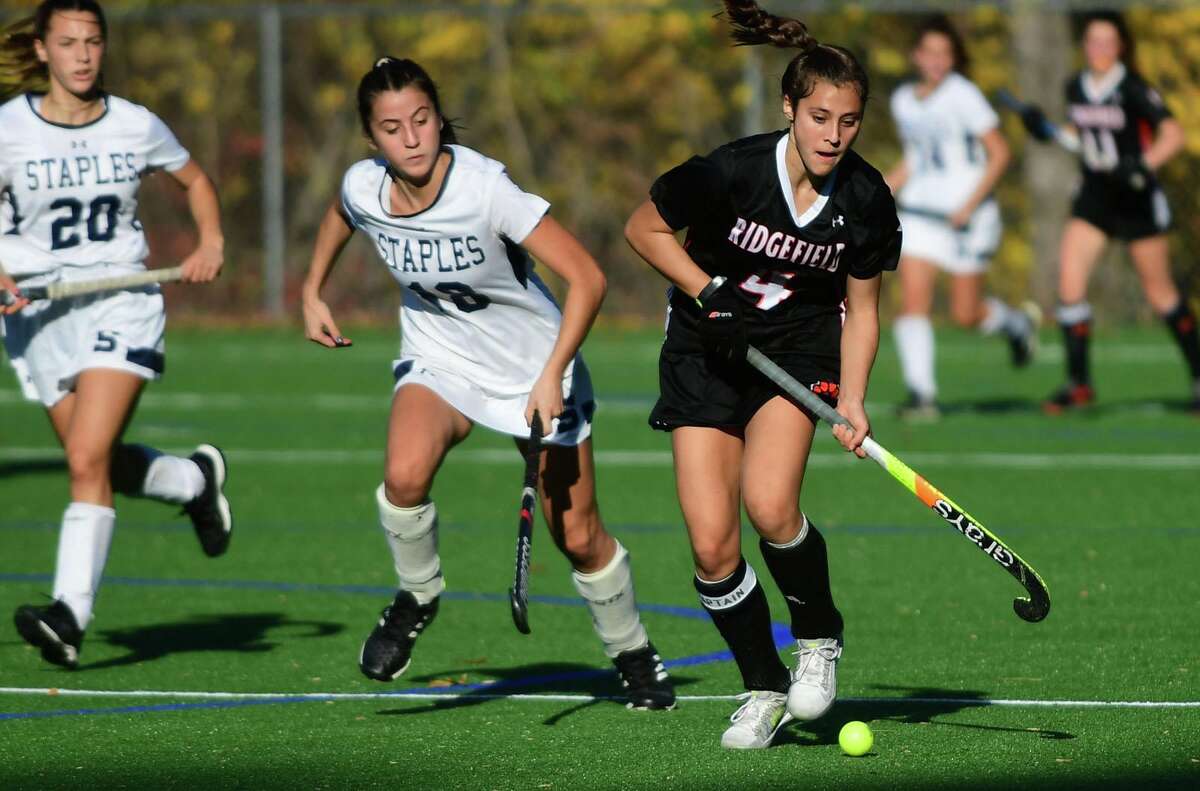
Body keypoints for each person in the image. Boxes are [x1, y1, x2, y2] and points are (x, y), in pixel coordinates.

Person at [300, 57, 675, 710]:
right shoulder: (364, 185)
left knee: (579, 537)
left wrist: (552, 373)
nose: (411, 138)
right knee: (404, 476)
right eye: (392, 128)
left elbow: (588, 278)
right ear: (371, 137)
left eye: (422, 119)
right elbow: (342, 212)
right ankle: (418, 594)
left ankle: (632, 651)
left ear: (439, 118)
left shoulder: (484, 188)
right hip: (441, 356)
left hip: (536, 366)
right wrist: (312, 289)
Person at [625, 0, 900, 749]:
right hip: (705, 352)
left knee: (772, 504)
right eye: (819, 118)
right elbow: (643, 228)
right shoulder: (732, 171)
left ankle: (819, 636)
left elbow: (863, 311)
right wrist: (707, 291)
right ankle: (763, 687)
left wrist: (855, 400)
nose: (833, 135)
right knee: (713, 548)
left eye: (848, 121)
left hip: (797, 355)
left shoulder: (865, 199)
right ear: (789, 109)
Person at [0, 0, 232, 669]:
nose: (82, 56)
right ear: (42, 49)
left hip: (121, 302)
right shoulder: (10, 128)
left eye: (93, 42)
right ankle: (192, 480)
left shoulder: (134, 124)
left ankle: (69, 616)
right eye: (68, 43)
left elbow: (195, 181)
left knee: (84, 459)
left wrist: (211, 241)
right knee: (97, 460)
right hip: (40, 314)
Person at [1019, 11, 1198, 413]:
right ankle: (1079, 383)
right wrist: (1045, 130)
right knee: (1070, 285)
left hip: (1135, 199)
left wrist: (1143, 164)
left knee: (1161, 295)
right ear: (1084, 46)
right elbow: (1082, 138)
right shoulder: (1076, 87)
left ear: (1120, 47)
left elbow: (1173, 135)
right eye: (1093, 41)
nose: (1099, 49)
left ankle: (1198, 375)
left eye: (1108, 42)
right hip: (1095, 196)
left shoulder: (1133, 88)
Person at [886, 16, 1039, 420]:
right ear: (915, 56)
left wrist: (969, 205)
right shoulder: (903, 101)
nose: (936, 60)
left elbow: (1000, 152)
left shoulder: (963, 94)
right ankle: (922, 396)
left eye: (945, 53)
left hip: (968, 219)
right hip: (920, 214)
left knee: (965, 314)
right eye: (929, 52)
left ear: (954, 58)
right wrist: (879, 192)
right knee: (912, 303)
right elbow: (916, 159)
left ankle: (1016, 325)